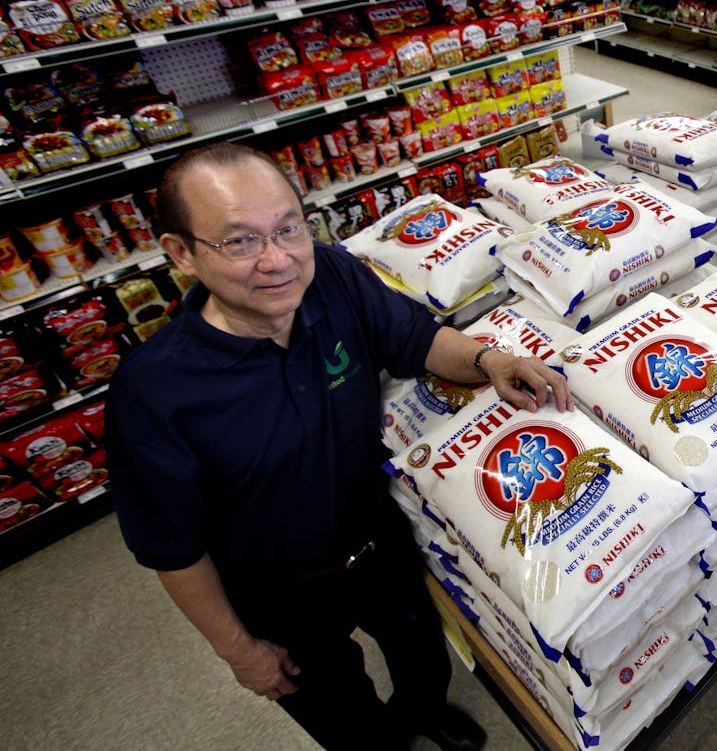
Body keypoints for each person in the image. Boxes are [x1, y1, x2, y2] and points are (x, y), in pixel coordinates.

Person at [107, 143, 572, 751]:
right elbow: (172, 549)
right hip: (279, 591)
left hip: (378, 539)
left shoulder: (331, 275)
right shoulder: (154, 393)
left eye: (288, 229)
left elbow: (417, 339)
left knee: (420, 655)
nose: (277, 261)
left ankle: (422, 712)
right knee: (345, 719)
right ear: (182, 254)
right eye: (240, 241)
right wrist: (239, 650)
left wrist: (490, 360)